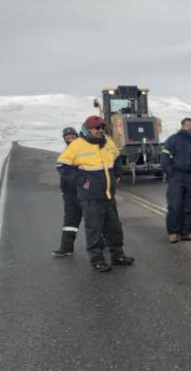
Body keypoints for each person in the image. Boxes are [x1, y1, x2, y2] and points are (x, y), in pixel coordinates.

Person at [57, 116, 135, 272]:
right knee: (94, 228)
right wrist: (80, 180)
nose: (100, 130)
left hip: (108, 195)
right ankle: (97, 259)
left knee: (114, 227)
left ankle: (117, 255)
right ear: (88, 129)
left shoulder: (108, 142)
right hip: (91, 196)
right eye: (96, 128)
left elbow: (117, 157)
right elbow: (62, 166)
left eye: (102, 128)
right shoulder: (77, 145)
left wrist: (118, 173)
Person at [161, 117, 191, 243]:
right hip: (177, 176)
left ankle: (186, 232)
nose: (190, 127)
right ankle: (173, 232)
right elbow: (164, 158)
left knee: (189, 207)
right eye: (187, 125)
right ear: (182, 127)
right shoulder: (173, 140)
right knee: (175, 206)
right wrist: (171, 173)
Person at [52, 127, 82, 257]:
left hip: (84, 192)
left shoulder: (84, 150)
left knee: (94, 221)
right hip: (69, 193)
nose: (70, 139)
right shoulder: (65, 153)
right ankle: (66, 247)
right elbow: (61, 169)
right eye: (67, 138)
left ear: (77, 136)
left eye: (72, 137)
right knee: (70, 222)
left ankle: (103, 245)